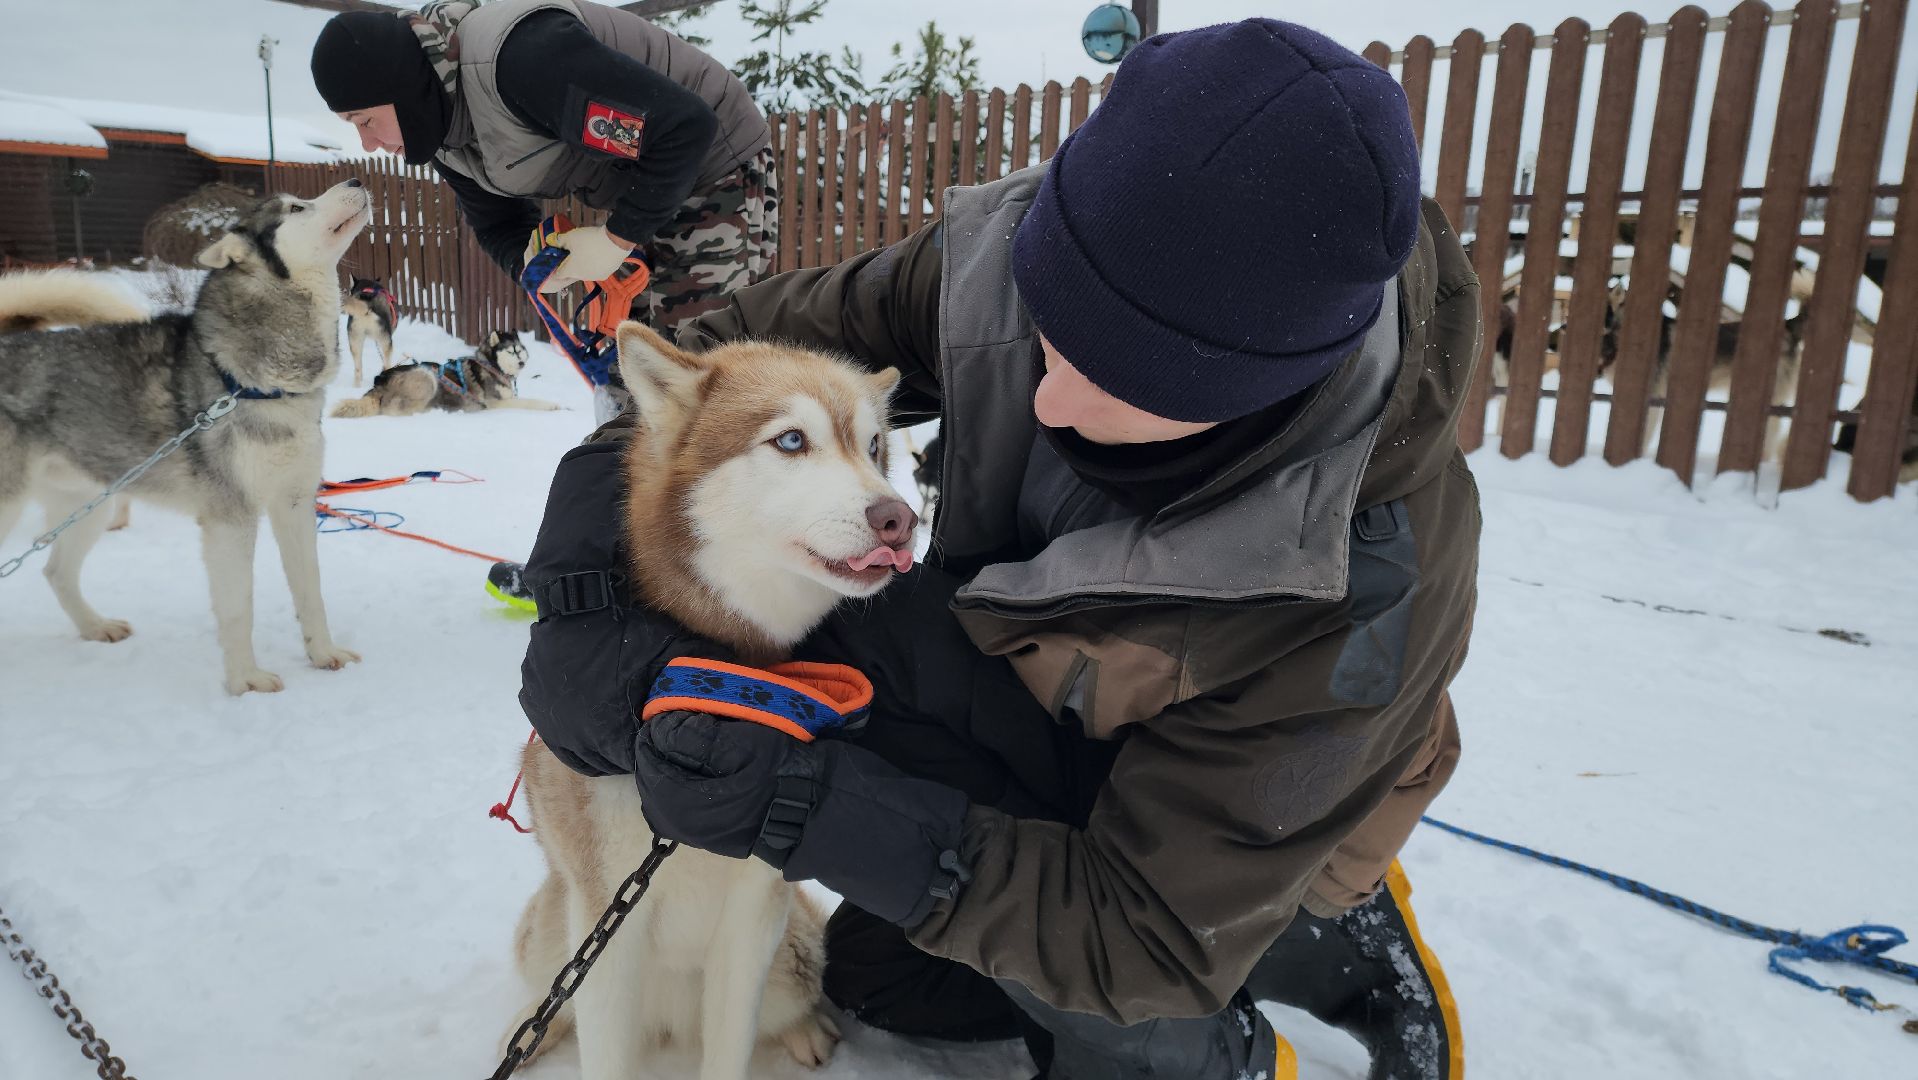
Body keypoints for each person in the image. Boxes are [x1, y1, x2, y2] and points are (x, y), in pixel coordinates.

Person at [518, 18, 1480, 1080]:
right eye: (1050, 329)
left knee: (1128, 1009)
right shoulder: (1033, 259)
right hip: (1034, 683)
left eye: (1123, 377)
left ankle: (1297, 969)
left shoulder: (1361, 583)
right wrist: (580, 591)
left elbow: (1138, 935)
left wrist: (797, 805)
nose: (1049, 391)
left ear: (1250, 390)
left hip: (1223, 820)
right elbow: (712, 366)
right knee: (886, 977)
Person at [309, 0, 774, 607]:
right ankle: (619, 559)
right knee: (630, 386)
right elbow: (500, 222)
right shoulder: (440, 126)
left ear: (399, 88)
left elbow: (683, 127)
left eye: (365, 119)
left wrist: (613, 240)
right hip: (643, 183)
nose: (366, 143)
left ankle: (725, 578)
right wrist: (548, 274)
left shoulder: (520, 58)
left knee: (695, 382)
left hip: (715, 168)